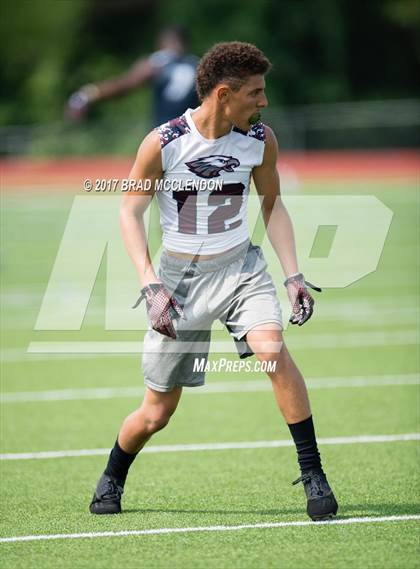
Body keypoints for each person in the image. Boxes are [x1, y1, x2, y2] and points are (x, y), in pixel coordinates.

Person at [89, 41, 338, 522]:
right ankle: (113, 475)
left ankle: (314, 473)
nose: (264, 102)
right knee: (156, 413)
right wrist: (149, 285)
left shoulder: (260, 139)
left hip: (240, 268)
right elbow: (129, 211)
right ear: (224, 94)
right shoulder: (164, 142)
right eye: (256, 93)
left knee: (271, 350)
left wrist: (293, 275)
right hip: (178, 281)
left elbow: (271, 204)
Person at [66, 26, 199, 126]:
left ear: (161, 43)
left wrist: (85, 95)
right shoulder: (197, 65)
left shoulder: (156, 63)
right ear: (186, 44)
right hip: (193, 140)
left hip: (163, 138)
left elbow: (124, 85)